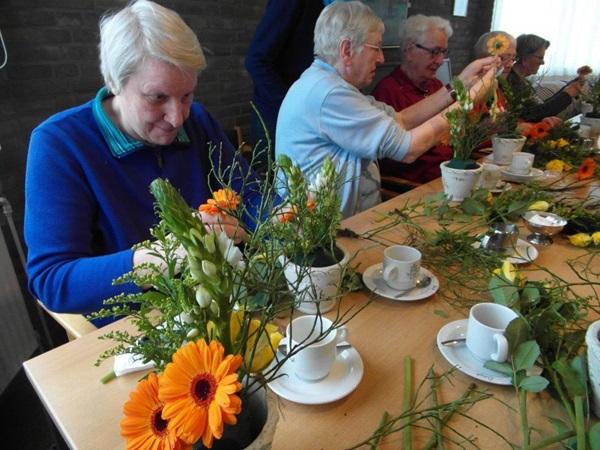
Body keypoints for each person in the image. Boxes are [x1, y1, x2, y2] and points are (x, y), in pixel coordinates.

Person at [25, 0, 264, 327]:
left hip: (224, 299)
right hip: (138, 326)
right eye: (157, 98)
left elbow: (249, 194)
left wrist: (283, 216)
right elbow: (52, 279)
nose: (177, 117)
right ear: (114, 81)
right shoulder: (60, 144)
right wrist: (167, 255)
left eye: (186, 96)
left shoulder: (199, 122)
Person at [276, 1, 498, 218]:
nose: (382, 58)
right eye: (376, 48)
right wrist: (468, 100)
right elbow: (408, 148)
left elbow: (400, 119)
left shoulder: (327, 83)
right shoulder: (329, 93)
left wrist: (459, 85)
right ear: (347, 49)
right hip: (330, 235)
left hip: (350, 221)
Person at [244, 0, 325, 176]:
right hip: (275, 119)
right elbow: (256, 60)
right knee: (271, 194)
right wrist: (292, 105)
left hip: (304, 117)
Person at [371, 14, 454, 184]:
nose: (440, 61)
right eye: (435, 52)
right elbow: (390, 157)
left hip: (447, 176)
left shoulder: (436, 85)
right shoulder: (388, 92)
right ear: (409, 51)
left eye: (443, 52)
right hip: (415, 187)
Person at [507, 34, 583, 122]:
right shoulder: (511, 83)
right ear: (525, 59)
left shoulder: (521, 80)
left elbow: (540, 107)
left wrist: (567, 90)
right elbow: (534, 115)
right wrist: (567, 94)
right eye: (540, 58)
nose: (542, 62)